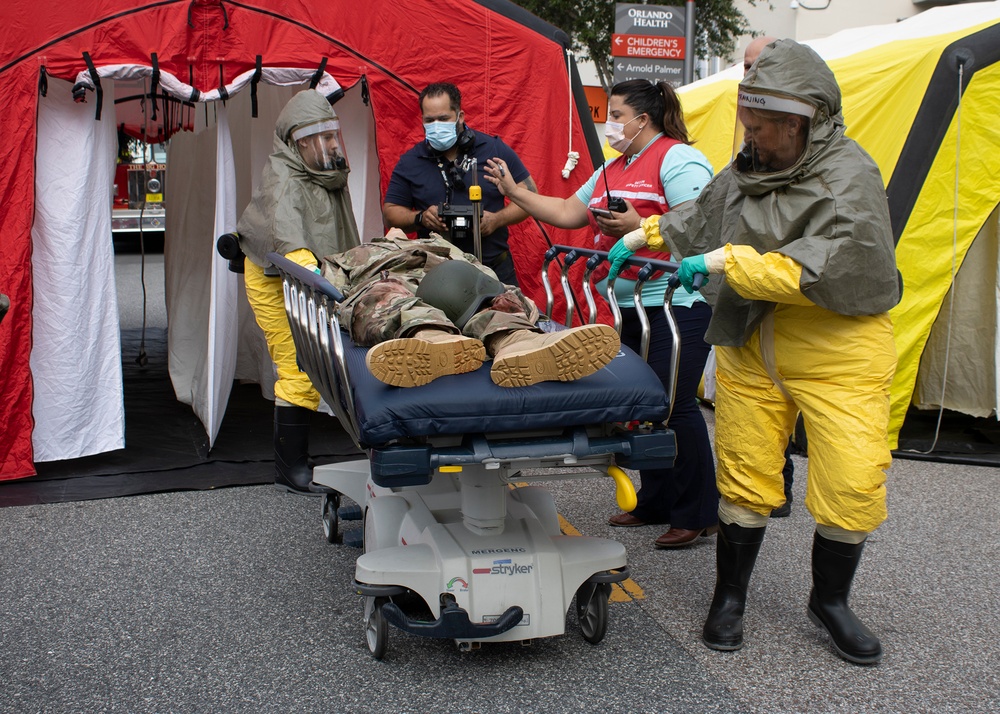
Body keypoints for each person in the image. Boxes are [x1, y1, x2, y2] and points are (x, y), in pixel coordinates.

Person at [609, 39, 899, 665]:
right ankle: (729, 597)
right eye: (750, 124)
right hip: (750, 347)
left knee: (852, 480)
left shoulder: (850, 174)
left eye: (764, 128)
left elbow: (835, 265)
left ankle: (831, 601)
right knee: (743, 478)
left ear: (802, 122)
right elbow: (706, 212)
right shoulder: (750, 163)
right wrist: (645, 233)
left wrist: (724, 263)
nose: (754, 138)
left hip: (838, 355)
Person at [484, 79, 719, 549]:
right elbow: (569, 211)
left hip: (677, 304)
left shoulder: (678, 159)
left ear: (642, 120)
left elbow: (702, 222)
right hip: (630, 305)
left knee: (676, 406)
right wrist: (516, 193)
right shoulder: (614, 167)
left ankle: (698, 511)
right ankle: (655, 502)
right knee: (647, 406)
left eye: (615, 114)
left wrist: (639, 226)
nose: (609, 124)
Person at [236, 89, 361, 495]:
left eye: (332, 135)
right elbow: (290, 241)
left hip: (302, 277)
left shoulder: (327, 173)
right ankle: (290, 470)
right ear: (300, 142)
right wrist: (325, 283)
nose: (330, 145)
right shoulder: (285, 178)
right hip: (274, 279)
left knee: (325, 361)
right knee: (298, 367)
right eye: (321, 138)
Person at [321, 229, 621, 389]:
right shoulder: (354, 254)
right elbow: (337, 292)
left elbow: (478, 269)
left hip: (457, 286)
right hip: (393, 278)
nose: (396, 230)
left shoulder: (437, 242)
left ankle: (517, 341)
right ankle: (433, 339)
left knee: (489, 296)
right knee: (385, 298)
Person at [382, 82, 537, 285]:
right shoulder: (411, 161)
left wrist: (497, 219)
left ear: (460, 116)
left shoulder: (493, 149)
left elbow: (531, 194)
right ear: (422, 121)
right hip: (437, 276)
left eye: (443, 118)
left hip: (495, 271)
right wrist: (420, 217)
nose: (436, 125)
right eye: (430, 120)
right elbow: (390, 213)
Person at [746, 35, 797, 519]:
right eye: (744, 68)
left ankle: (780, 479)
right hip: (750, 305)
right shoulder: (752, 141)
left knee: (786, 396)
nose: (749, 79)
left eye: (757, 67)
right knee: (754, 413)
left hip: (796, 310)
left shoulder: (811, 147)